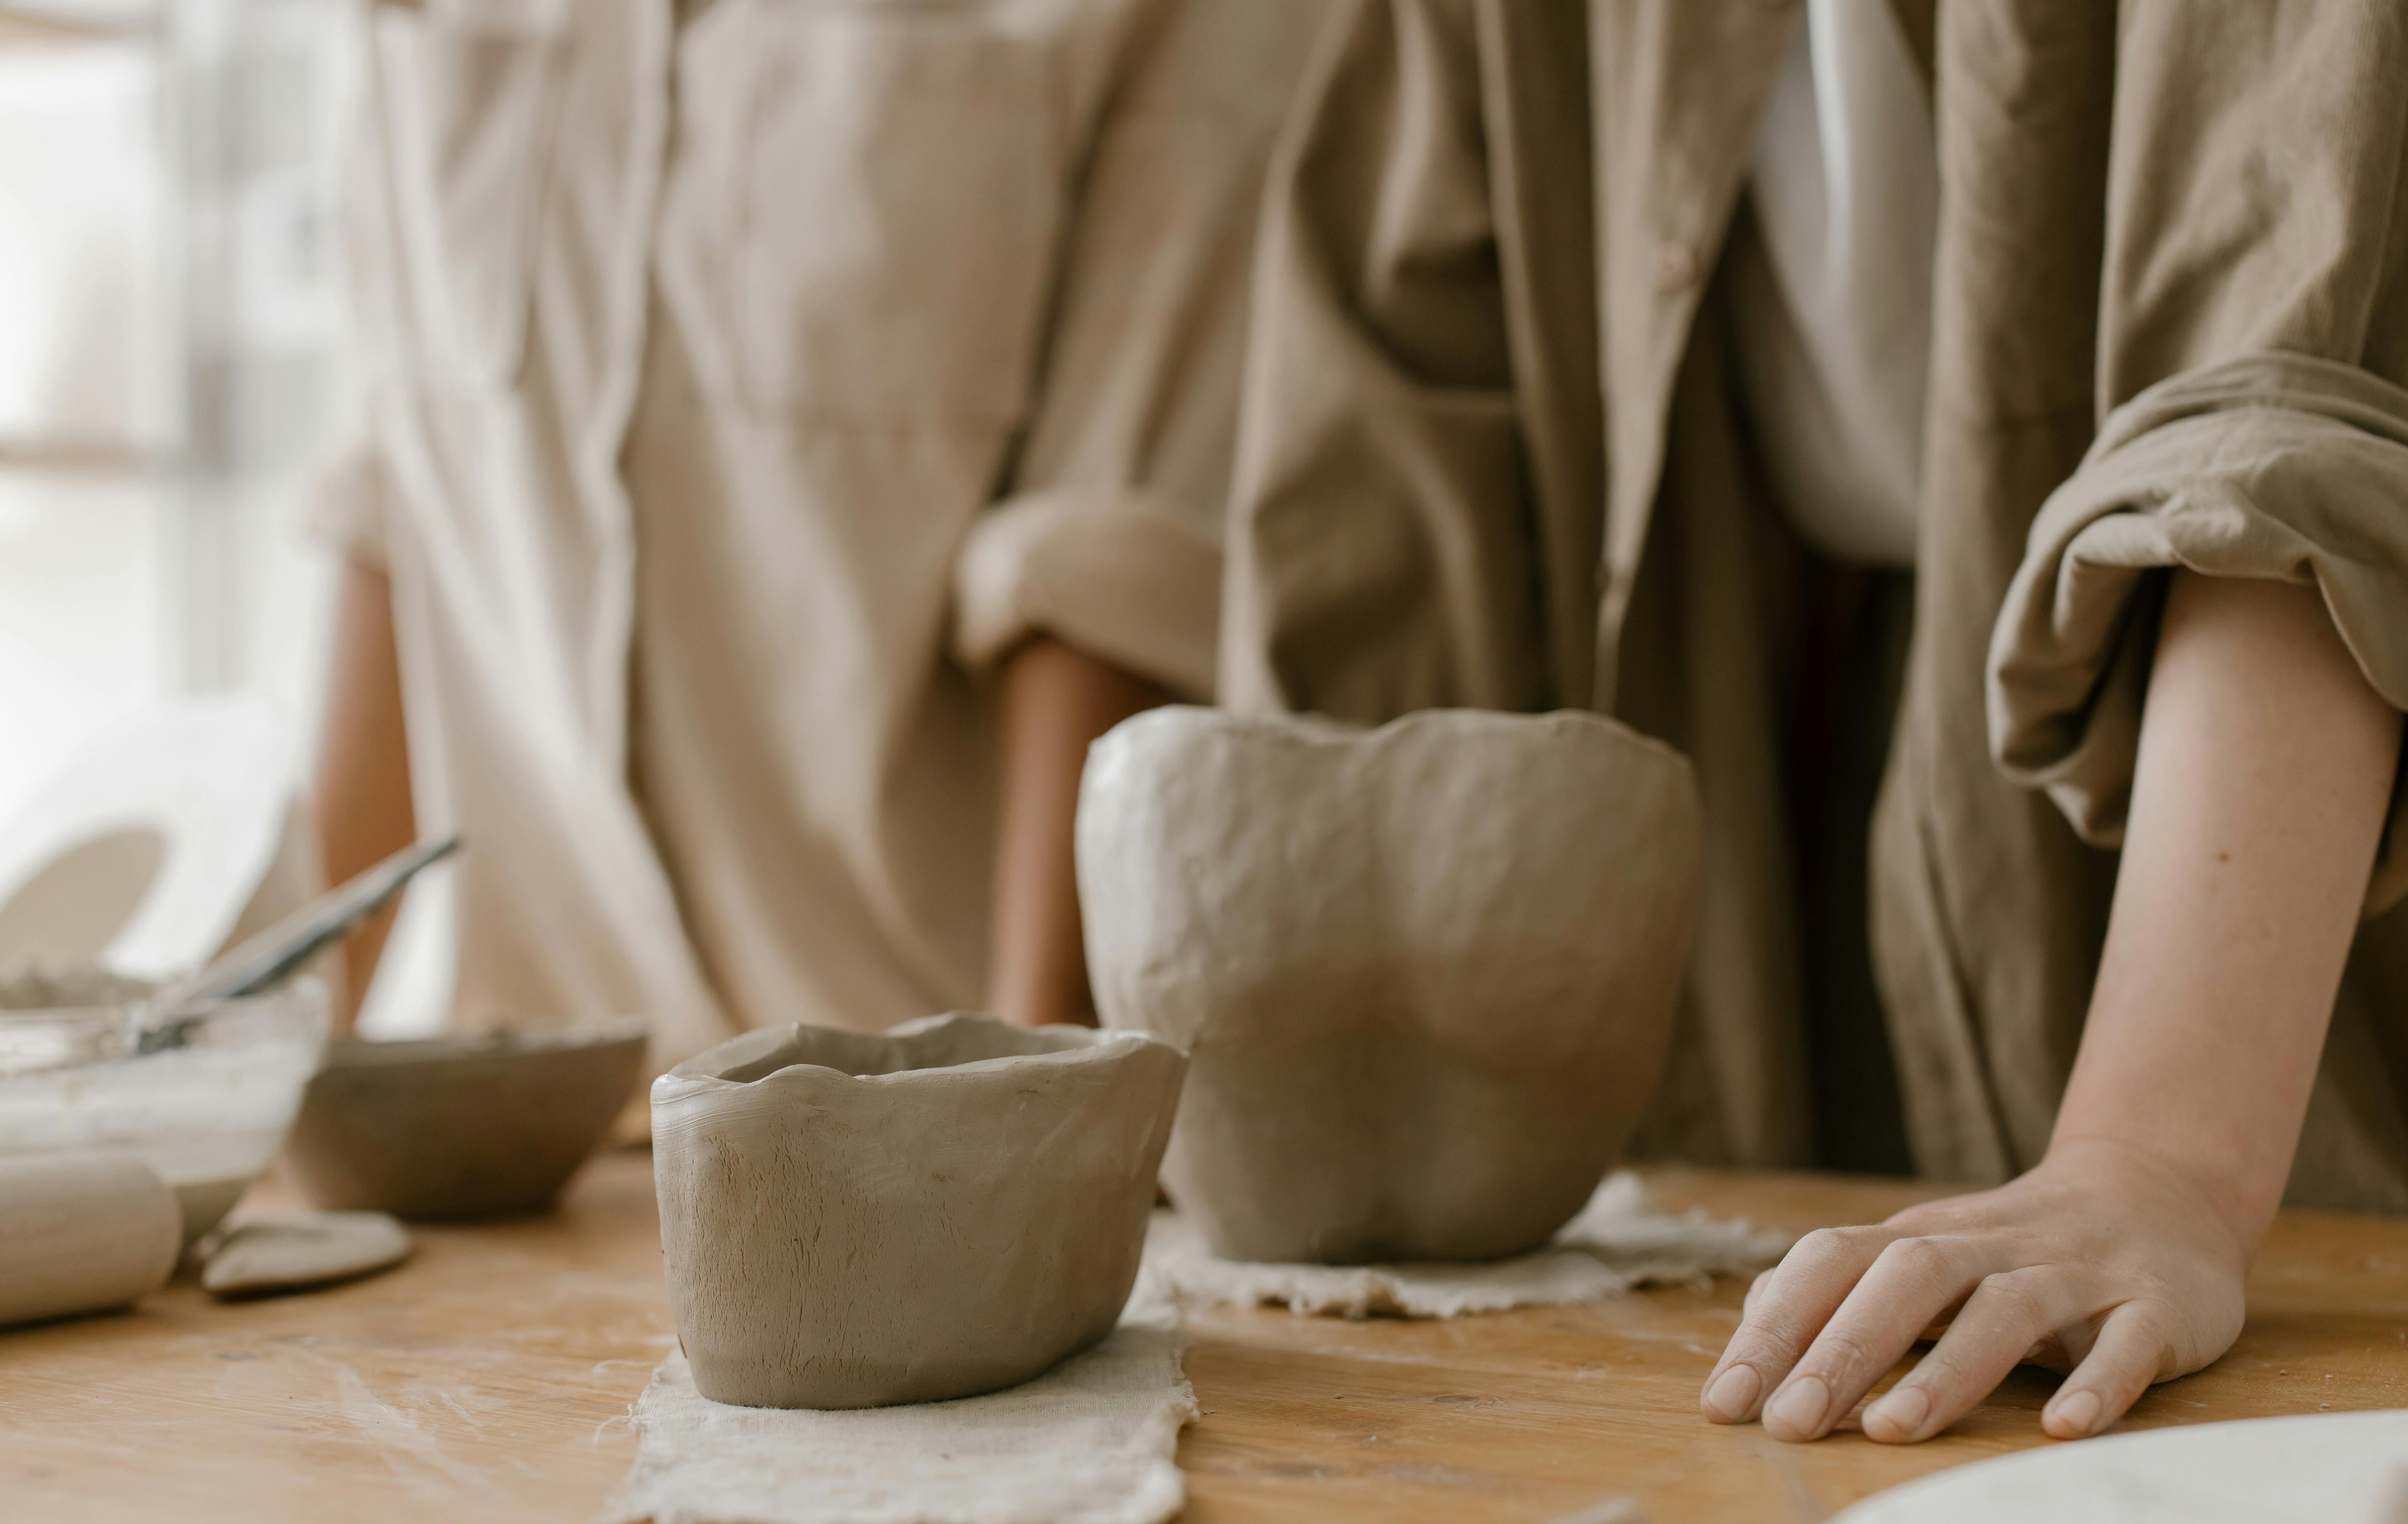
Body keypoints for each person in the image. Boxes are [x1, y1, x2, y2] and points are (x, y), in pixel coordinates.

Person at [1223, 0, 2408, 1446]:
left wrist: (2160, 1159)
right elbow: (1377, 476)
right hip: (1797, 728)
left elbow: (2283, 422)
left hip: (2279, 809)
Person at [312, 0, 1325, 1074]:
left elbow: (1110, 559)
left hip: (908, 1109)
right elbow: (406, 493)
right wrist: (263, 1071)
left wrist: (1024, 1131)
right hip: (548, 1119)